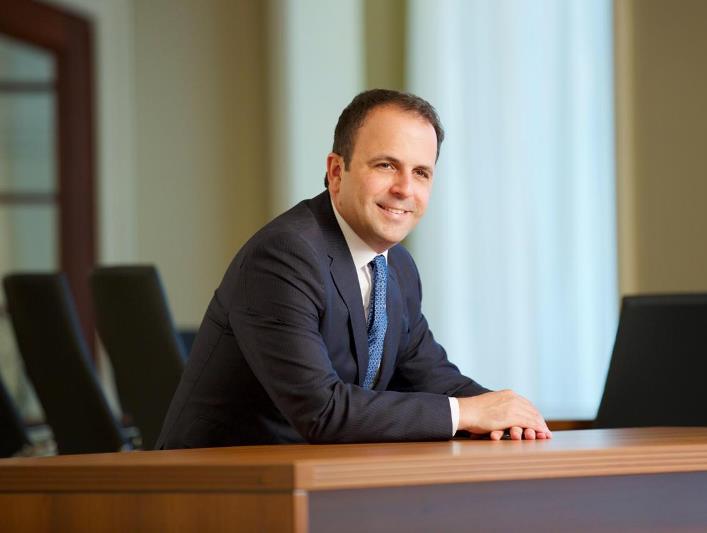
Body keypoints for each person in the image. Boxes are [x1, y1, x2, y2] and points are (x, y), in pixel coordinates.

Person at [157, 89, 551, 447]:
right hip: (215, 485)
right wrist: (467, 413)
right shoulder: (284, 255)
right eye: (386, 165)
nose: (405, 189)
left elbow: (431, 377)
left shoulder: (397, 267)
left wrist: (507, 414)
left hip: (314, 479)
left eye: (421, 173)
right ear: (336, 172)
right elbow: (322, 410)